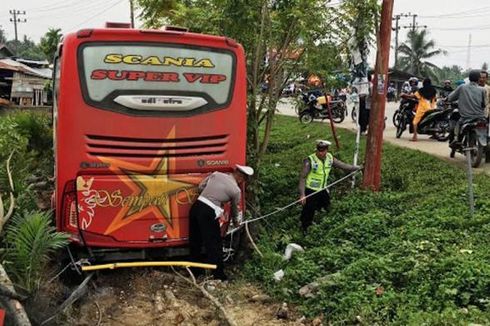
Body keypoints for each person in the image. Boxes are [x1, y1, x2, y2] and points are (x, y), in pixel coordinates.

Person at [189, 164, 254, 280]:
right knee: (214, 244)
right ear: (241, 178)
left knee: (196, 241)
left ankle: (196, 272)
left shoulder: (216, 174)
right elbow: (234, 210)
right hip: (208, 213)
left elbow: (200, 187)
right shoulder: (236, 191)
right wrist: (236, 222)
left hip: (196, 207)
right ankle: (218, 275)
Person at [298, 140, 360, 233]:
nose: (320, 153)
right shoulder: (310, 160)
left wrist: (358, 167)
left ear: (327, 150)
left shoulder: (330, 158)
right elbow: (302, 178)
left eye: (323, 151)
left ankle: (326, 225)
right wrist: (302, 194)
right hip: (311, 190)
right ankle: (305, 229)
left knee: (327, 206)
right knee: (308, 210)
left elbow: (343, 166)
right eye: (319, 150)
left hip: (322, 189)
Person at [447, 69, 487, 145]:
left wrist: (448, 99)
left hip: (465, 117)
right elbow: (484, 104)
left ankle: (457, 139)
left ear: (469, 78)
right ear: (479, 79)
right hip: (480, 117)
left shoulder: (462, 87)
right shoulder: (483, 90)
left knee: (458, 125)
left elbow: (451, 98)